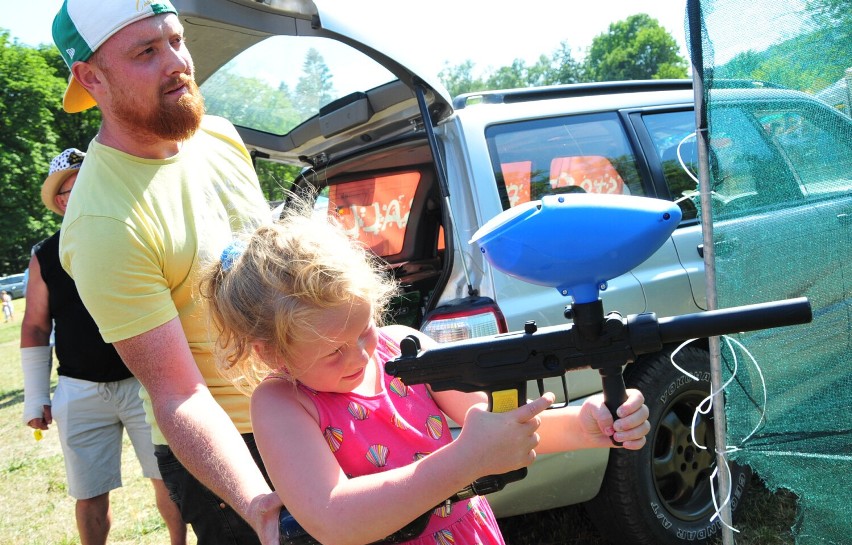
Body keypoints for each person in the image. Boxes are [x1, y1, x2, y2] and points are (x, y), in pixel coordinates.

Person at [199, 203, 651, 545]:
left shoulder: (401, 346)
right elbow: (334, 518)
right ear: (273, 353)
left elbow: (495, 429)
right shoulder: (283, 404)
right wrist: (464, 459)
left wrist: (588, 424)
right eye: (333, 352)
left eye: (363, 329)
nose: (359, 356)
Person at [51, 1, 280, 543]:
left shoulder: (219, 135)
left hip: (306, 407)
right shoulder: (104, 219)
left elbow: (273, 267)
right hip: (234, 446)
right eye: (147, 52)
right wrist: (263, 511)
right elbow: (179, 396)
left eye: (176, 40)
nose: (177, 61)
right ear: (91, 78)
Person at [20, 148, 187, 545]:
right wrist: (35, 397)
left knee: (169, 478)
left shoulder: (133, 230)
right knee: (89, 493)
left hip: (144, 381)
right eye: (66, 191)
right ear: (57, 203)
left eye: (84, 184)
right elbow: (35, 326)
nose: (75, 195)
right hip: (80, 390)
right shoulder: (45, 256)